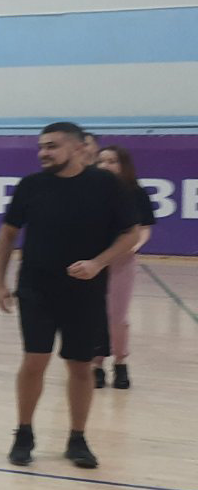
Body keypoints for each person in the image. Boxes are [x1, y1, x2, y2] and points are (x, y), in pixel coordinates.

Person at [0, 122, 139, 469]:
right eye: (41, 146)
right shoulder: (31, 186)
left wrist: (98, 263)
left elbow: (131, 234)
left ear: (77, 148)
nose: (44, 152)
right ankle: (24, 433)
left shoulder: (105, 185)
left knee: (80, 366)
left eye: (52, 146)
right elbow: (8, 234)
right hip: (36, 288)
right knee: (34, 362)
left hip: (84, 292)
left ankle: (78, 438)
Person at [92, 145, 156, 390]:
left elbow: (144, 227)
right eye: (101, 161)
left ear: (123, 165)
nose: (106, 165)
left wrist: (133, 246)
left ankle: (120, 361)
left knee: (117, 316)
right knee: (95, 313)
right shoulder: (89, 191)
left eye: (112, 161)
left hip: (122, 261)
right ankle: (96, 363)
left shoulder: (135, 193)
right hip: (93, 260)